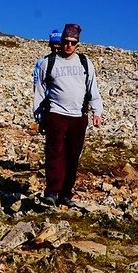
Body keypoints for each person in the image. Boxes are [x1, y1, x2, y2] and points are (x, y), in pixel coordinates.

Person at [32, 23, 103, 208]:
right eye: (66, 41)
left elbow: (92, 88)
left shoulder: (85, 63)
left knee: (73, 156)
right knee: (54, 153)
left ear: (77, 44)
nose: (69, 46)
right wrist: (39, 115)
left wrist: (97, 110)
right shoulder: (49, 62)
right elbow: (40, 90)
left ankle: (65, 193)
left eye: (73, 42)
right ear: (61, 41)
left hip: (79, 116)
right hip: (56, 114)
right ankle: (52, 191)